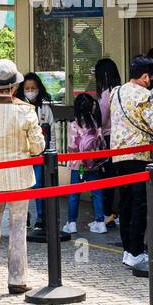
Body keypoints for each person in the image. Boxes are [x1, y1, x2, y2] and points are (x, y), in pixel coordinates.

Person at [0, 59, 45, 294]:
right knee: (18, 227)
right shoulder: (25, 110)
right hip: (19, 178)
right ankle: (17, 278)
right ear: (15, 86)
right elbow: (38, 147)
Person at [109, 55, 153, 268]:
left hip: (118, 155)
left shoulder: (116, 92)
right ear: (146, 76)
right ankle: (136, 251)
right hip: (139, 156)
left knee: (125, 202)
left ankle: (127, 250)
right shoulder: (144, 96)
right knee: (140, 204)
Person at [66, 92, 108, 234]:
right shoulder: (95, 124)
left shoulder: (74, 124)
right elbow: (101, 141)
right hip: (93, 164)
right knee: (97, 193)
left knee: (74, 193)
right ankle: (100, 222)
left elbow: (72, 146)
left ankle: (72, 223)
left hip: (78, 165)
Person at [15, 72, 53, 230]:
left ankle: (41, 217)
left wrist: (51, 152)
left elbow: (52, 130)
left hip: (39, 154)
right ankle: (24, 217)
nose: (30, 91)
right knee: (22, 188)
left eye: (33, 88)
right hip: (22, 155)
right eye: (27, 88)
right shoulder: (17, 107)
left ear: (39, 89)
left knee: (38, 187)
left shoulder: (45, 108)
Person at [93, 57, 123, 228]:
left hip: (108, 139)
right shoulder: (122, 90)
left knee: (107, 179)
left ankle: (108, 213)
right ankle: (117, 213)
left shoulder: (106, 94)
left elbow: (102, 119)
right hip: (122, 140)